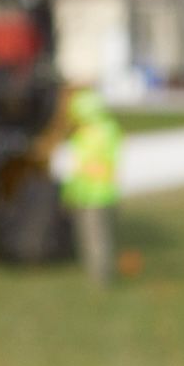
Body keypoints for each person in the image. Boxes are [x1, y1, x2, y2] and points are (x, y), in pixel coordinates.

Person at [62, 88, 120, 285]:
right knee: (89, 237)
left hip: (96, 194)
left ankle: (101, 278)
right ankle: (94, 273)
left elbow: (89, 164)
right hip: (86, 192)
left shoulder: (99, 132)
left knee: (96, 238)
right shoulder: (95, 131)